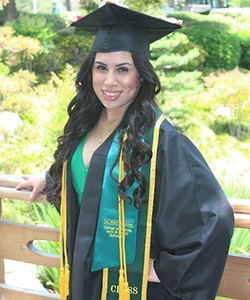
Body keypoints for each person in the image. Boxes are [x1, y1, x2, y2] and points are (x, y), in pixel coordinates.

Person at [16, 2, 234, 300]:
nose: (109, 81)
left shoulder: (161, 139)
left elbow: (214, 216)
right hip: (86, 272)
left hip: (131, 285)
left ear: (141, 76)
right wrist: (53, 179)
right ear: (89, 71)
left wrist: (167, 269)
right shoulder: (85, 124)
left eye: (123, 69)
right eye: (101, 68)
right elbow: (92, 178)